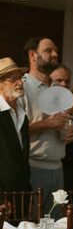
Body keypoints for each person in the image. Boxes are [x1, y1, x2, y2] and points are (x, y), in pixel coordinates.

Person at [21, 37, 73, 211]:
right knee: (32, 228)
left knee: (55, 228)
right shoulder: (21, 87)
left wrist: (69, 133)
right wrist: (46, 123)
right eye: (48, 51)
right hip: (33, 167)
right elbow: (15, 133)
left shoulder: (58, 90)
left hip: (58, 166)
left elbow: (62, 125)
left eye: (56, 51)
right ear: (32, 55)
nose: (54, 55)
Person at [0, 57, 31, 196]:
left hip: (21, 192)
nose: (19, 83)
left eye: (20, 78)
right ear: (0, 85)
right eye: (13, 80)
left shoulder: (22, 114)